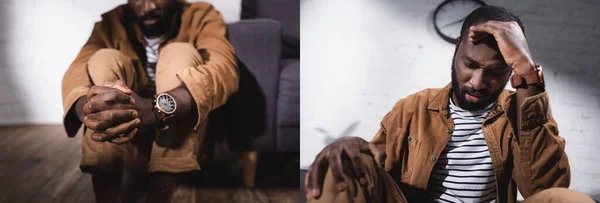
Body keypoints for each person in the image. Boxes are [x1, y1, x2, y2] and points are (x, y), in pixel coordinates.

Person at [304, 6, 595, 203]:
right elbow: (371, 169)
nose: (478, 82)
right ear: (457, 47)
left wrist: (529, 75)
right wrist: (348, 144)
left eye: (496, 71)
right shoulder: (412, 108)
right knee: (341, 163)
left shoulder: (521, 112)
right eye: (470, 64)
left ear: (511, 71)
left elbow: (545, 190)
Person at [60, 0, 237, 202]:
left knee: (179, 52)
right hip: (129, 144)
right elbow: (77, 72)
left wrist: (157, 109)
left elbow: (224, 70)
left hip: (187, 149)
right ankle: (107, 194)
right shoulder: (111, 22)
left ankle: (161, 193)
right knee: (103, 58)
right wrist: (90, 109)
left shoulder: (201, 15)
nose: (148, 6)